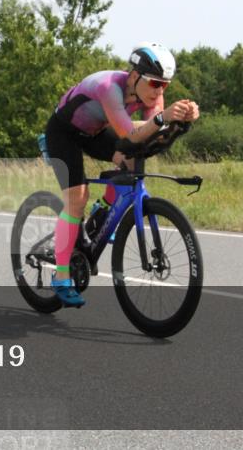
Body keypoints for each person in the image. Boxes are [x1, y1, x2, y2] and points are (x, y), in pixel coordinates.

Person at [43, 43, 199, 307]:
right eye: (154, 84)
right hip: (64, 133)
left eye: (165, 85)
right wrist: (164, 118)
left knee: (129, 162)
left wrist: (182, 120)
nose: (159, 91)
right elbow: (132, 134)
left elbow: (151, 135)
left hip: (96, 131)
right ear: (135, 76)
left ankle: (102, 212)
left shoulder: (151, 95)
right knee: (76, 198)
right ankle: (61, 277)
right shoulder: (109, 88)